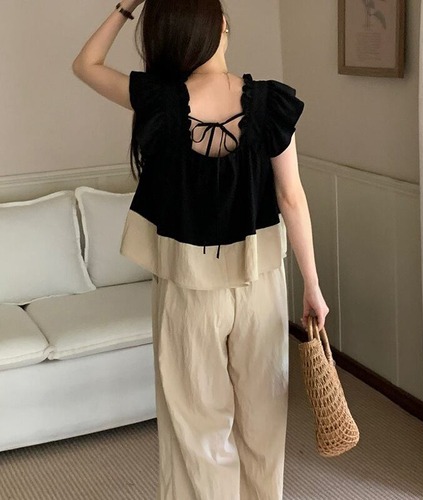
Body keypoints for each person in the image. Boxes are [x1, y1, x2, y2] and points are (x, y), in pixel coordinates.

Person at [72, 1, 329, 498]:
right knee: (264, 417)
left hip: (186, 289)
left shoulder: (157, 100)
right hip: (259, 284)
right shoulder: (271, 102)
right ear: (223, 26)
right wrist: (313, 288)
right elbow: (292, 199)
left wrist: (126, 6)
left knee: (196, 426)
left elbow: (85, 64)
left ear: (169, 37)